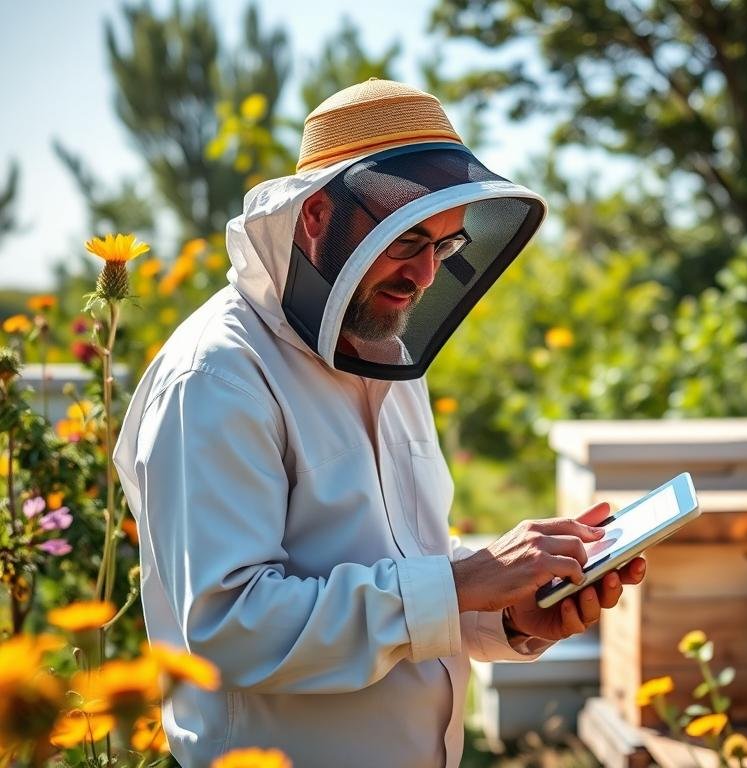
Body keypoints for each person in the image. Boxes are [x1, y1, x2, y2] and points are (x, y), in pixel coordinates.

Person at [114, 79, 646, 768]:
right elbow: (232, 626)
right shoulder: (217, 377)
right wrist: (460, 584)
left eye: (447, 247)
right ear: (314, 216)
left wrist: (508, 612)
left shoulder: (384, 358)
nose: (424, 274)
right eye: (405, 238)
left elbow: (397, 561)